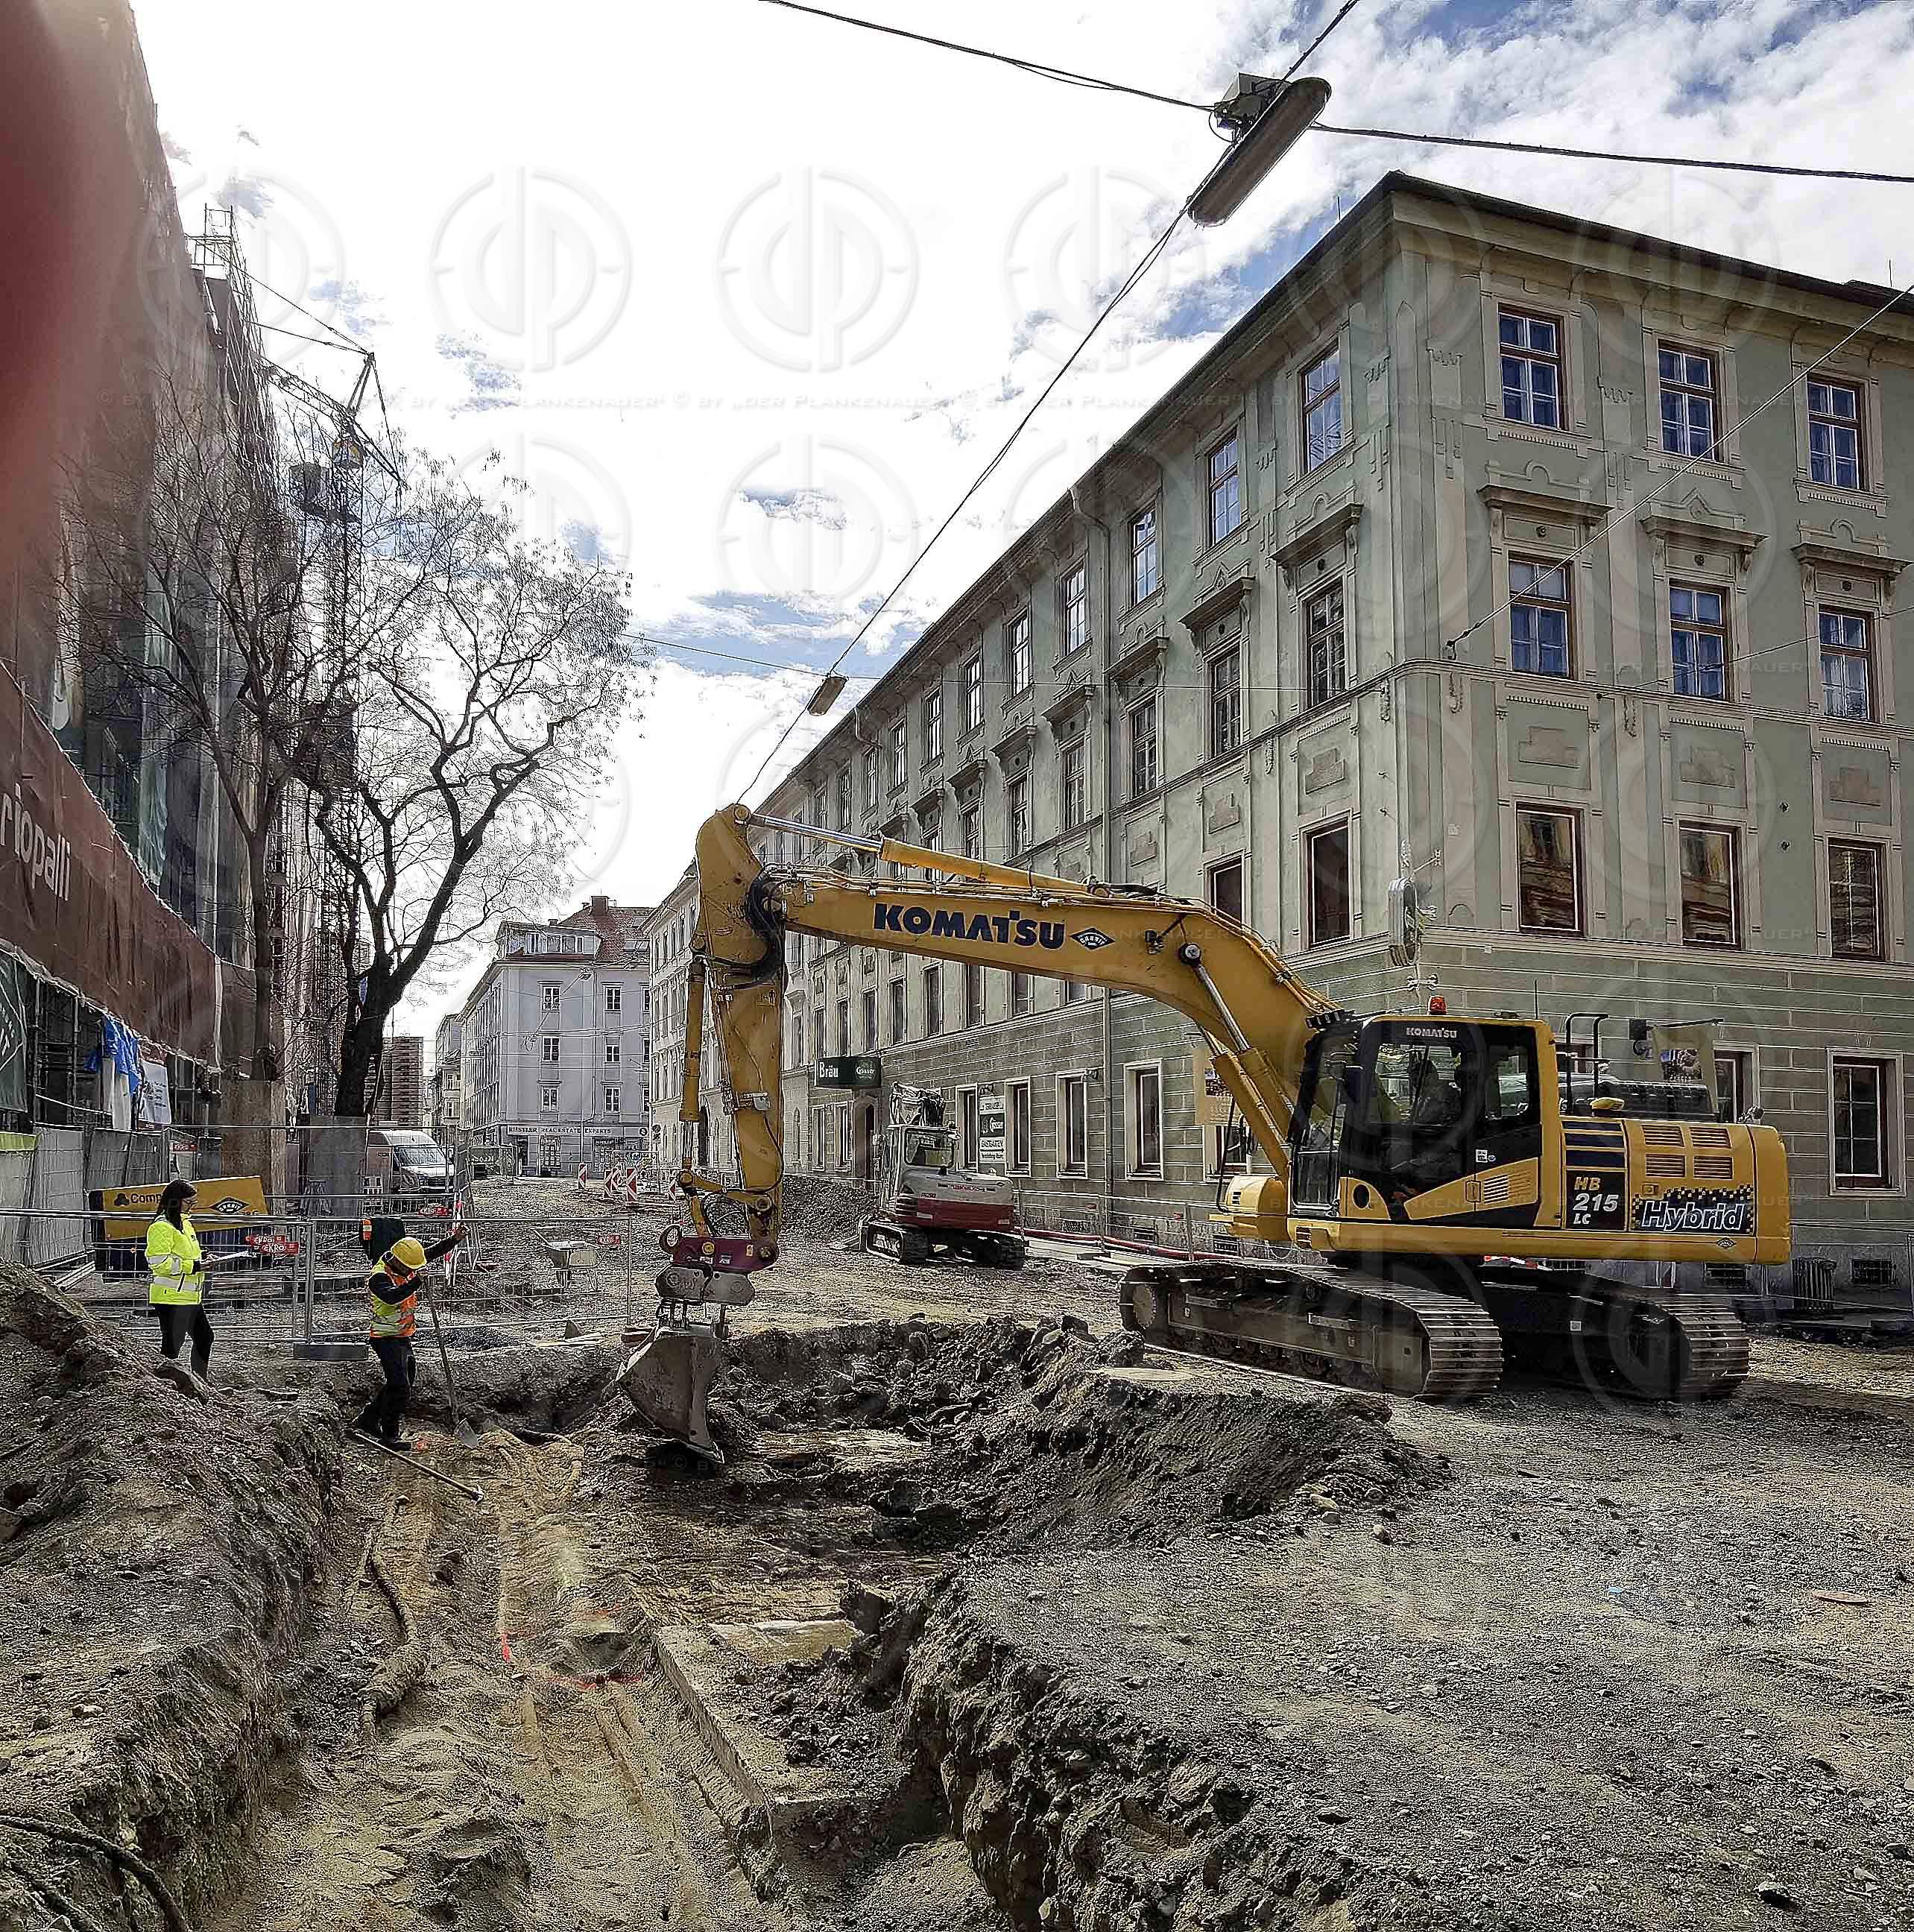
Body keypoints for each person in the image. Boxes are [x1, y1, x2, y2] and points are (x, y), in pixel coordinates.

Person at [354, 1224, 467, 1448]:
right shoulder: (379, 1277)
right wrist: (417, 1283)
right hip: (385, 1338)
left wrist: (454, 1240)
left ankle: (368, 1419)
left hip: (402, 1335)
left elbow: (428, 1254)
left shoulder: (405, 1262)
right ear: (398, 1262)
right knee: (400, 1387)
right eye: (410, 1270)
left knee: (401, 1382)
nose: (412, 1272)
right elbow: (391, 1297)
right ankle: (390, 1436)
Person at [147, 1178, 215, 1381]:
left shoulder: (184, 1224)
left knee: (204, 1338)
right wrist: (194, 1266)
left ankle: (199, 1382)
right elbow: (159, 1263)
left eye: (194, 1203)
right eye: (189, 1203)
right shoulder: (161, 1227)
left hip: (188, 1296)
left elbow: (185, 1254)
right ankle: (164, 1386)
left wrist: (203, 1258)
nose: (192, 1207)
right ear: (175, 1201)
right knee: (173, 1345)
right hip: (171, 1297)